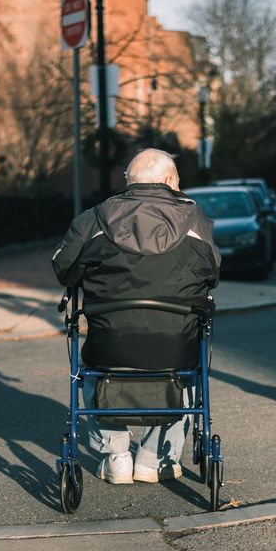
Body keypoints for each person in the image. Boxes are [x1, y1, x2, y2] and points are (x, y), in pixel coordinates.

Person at [51, 149, 220, 484]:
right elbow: (212, 273)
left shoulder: (95, 219)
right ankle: (154, 459)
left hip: (111, 342)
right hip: (175, 343)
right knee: (188, 369)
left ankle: (116, 458)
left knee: (94, 369)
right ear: (171, 180)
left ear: (129, 182)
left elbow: (63, 267)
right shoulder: (196, 220)